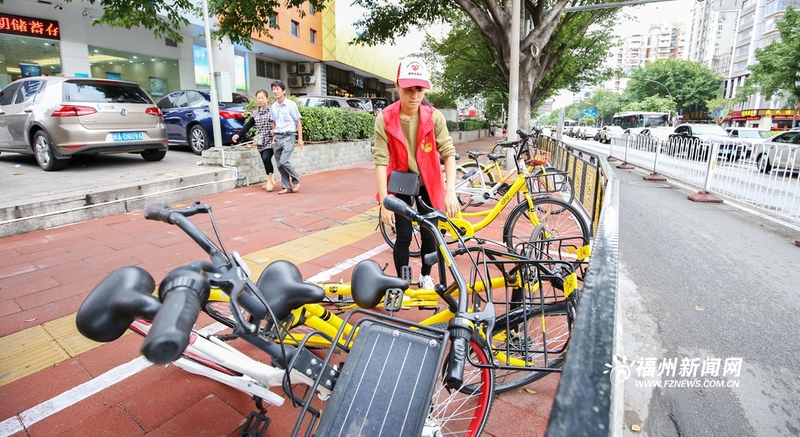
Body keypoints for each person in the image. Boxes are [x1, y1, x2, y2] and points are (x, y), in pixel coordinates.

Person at [373, 58, 459, 289]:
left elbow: (448, 153)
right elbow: (380, 161)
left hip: (428, 182)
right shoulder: (386, 118)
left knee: (430, 232)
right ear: (397, 86)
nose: (414, 95)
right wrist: (384, 202)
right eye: (408, 89)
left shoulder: (434, 117)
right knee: (403, 235)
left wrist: (450, 191)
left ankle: (425, 275)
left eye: (419, 89)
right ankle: (402, 281)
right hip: (400, 181)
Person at [232, 89, 276, 191]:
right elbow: (248, 125)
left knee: (266, 158)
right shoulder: (255, 113)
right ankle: (270, 179)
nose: (260, 100)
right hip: (260, 141)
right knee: (265, 161)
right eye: (258, 98)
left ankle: (270, 181)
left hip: (271, 139)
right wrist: (238, 135)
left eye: (262, 98)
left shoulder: (273, 110)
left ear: (267, 99)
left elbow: (278, 122)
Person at [269, 80, 304, 194]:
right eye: (273, 89)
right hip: (278, 136)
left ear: (283, 91)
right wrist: (273, 132)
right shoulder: (273, 106)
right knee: (279, 164)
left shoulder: (291, 105)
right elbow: (274, 121)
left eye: (277, 89)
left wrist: (300, 138)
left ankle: (296, 180)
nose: (275, 91)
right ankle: (286, 187)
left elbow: (298, 121)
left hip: (289, 136)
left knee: (284, 161)